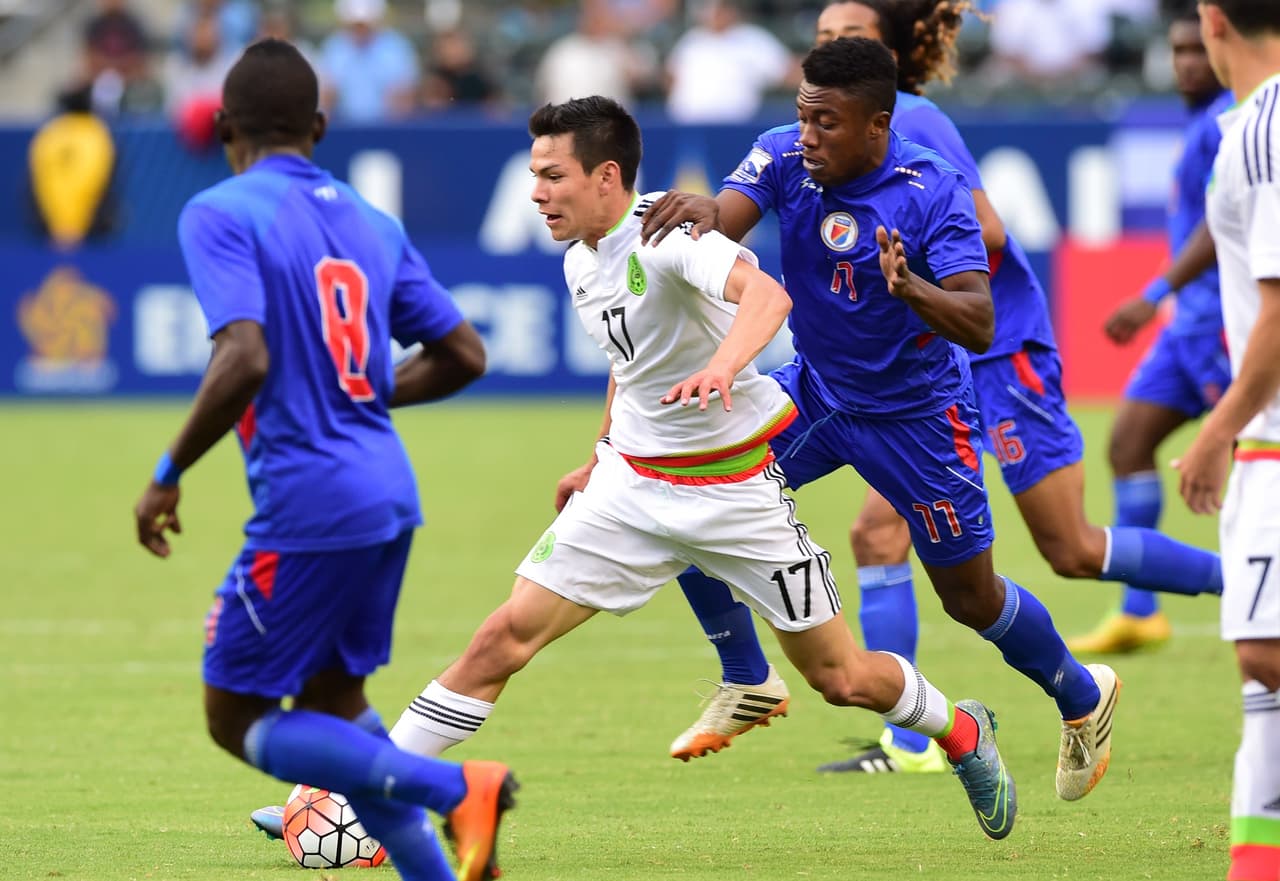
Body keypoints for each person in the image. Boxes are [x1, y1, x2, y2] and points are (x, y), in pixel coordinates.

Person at [385, 91, 1019, 846]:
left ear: (606, 175)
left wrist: (724, 365)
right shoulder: (580, 258)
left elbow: (768, 296)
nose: (536, 193)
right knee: (500, 641)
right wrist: (597, 455)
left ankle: (960, 730)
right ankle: (357, 801)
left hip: (735, 495)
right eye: (534, 176)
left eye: (552, 176)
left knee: (842, 677)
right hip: (630, 490)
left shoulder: (670, 236)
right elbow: (632, 366)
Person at [636, 33, 1123, 803]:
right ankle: (747, 677)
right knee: (692, 490)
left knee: (971, 599)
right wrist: (704, 214)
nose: (807, 135)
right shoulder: (783, 154)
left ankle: (1081, 694)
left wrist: (913, 289)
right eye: (804, 116)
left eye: (826, 122)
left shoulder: (931, 190)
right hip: (818, 394)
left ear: (877, 125)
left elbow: (979, 321)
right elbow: (728, 213)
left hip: (920, 419)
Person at [132, 39, 512, 881]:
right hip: (388, 492)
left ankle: (456, 788)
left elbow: (243, 357)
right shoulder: (373, 221)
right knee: (338, 707)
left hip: (310, 504)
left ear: (223, 127)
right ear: (320, 126)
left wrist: (167, 471)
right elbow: (464, 354)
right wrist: (361, 396)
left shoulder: (220, 211)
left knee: (235, 716)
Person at [1071, 3, 1232, 654]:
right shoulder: (1201, 120)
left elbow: (1222, 222)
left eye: (1198, 50)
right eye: (1177, 51)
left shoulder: (1229, 120)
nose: (1187, 63)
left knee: (1254, 461)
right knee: (1128, 442)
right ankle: (1140, 611)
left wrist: (1154, 292)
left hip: (1223, 324)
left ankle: (1255, 587)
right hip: (1187, 328)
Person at [1177, 2, 1280, 879]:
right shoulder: (1249, 125)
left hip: (1271, 439)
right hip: (1266, 439)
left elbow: (1277, 312)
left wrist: (1219, 427)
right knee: (1260, 677)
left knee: (1264, 652)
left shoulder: (1264, 129)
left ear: (1214, 19)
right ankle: (1255, 861)